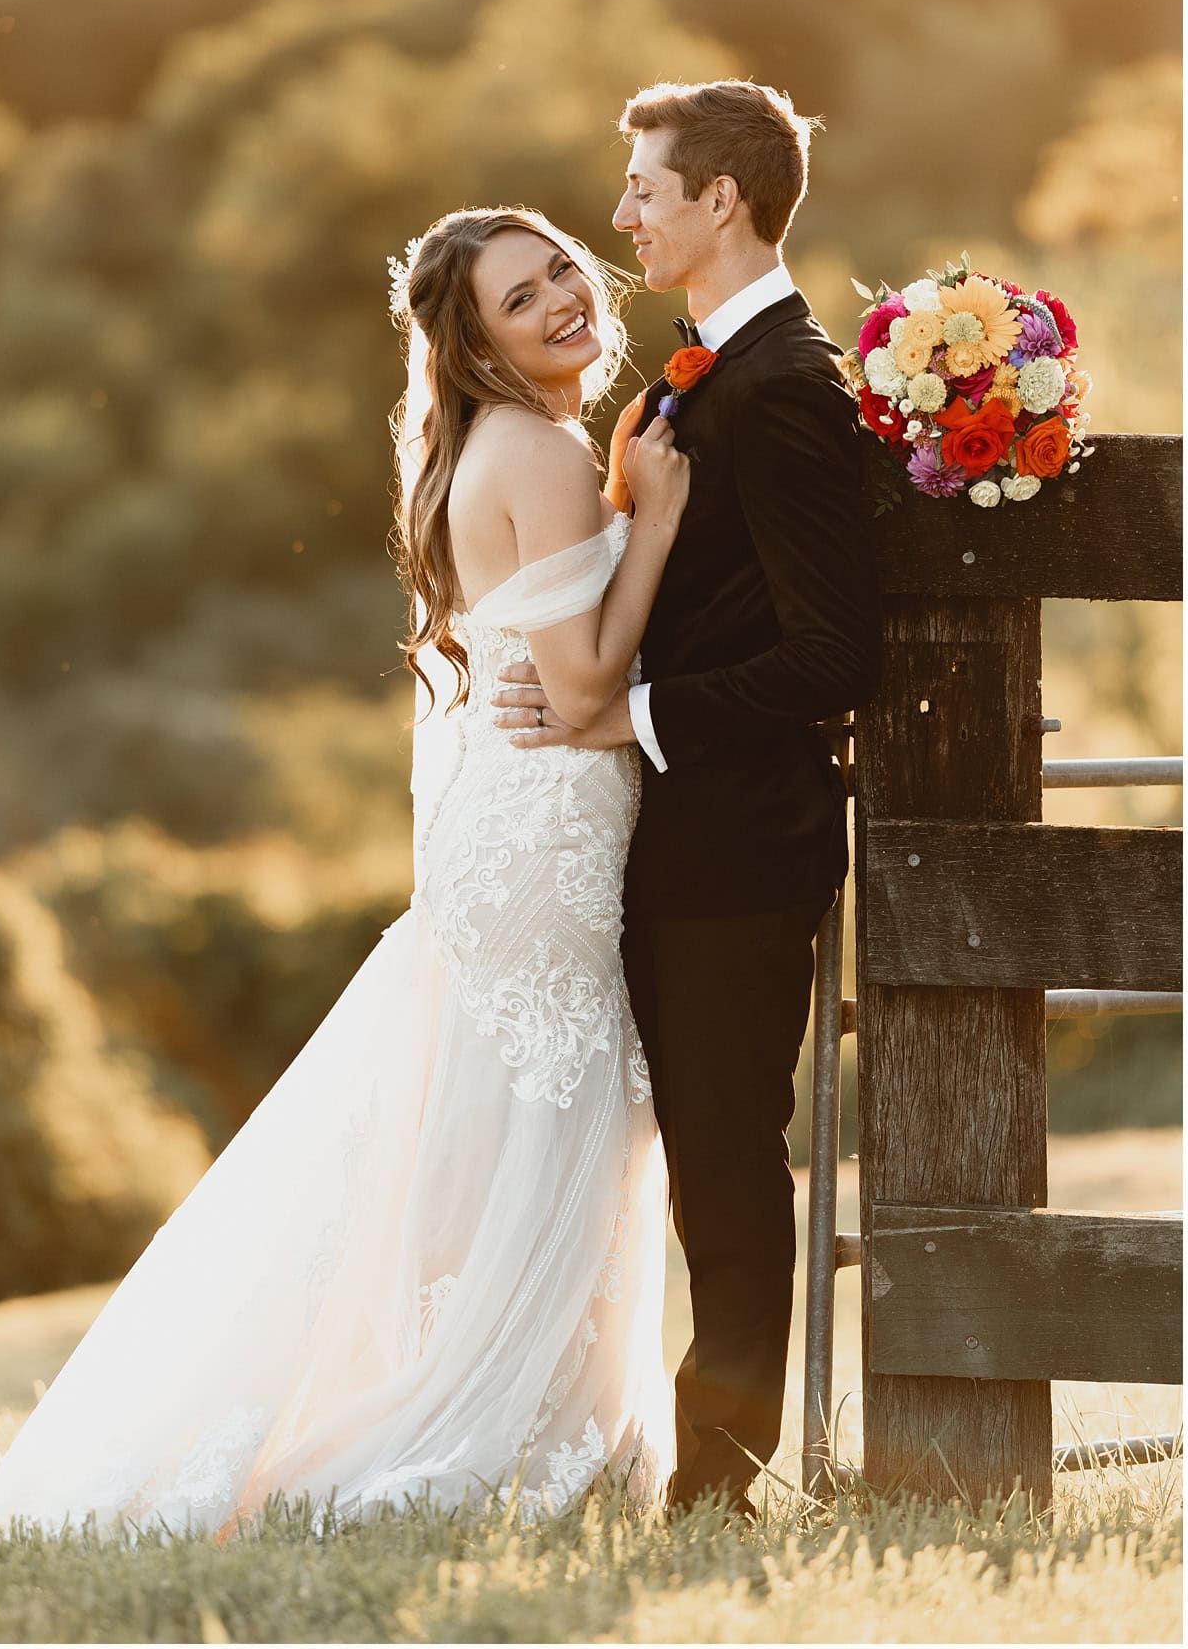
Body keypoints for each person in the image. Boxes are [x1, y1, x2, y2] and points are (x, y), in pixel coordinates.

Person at [0, 206, 690, 1543]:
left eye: (563, 269)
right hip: (550, 838)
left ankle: (550, 1417)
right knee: (560, 1126)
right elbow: (583, 682)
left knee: (504, 1130)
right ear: (480, 345)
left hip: (508, 838)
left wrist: (615, 496)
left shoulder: (486, 452)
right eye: (521, 297)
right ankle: (504, 1424)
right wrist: (655, 517)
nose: (563, 299)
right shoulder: (542, 451)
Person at [493, 80, 883, 1515]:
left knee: (726, 1167)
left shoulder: (788, 388)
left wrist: (632, 713)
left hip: (739, 849)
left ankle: (717, 1480)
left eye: (646, 190)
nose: (623, 217)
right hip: (665, 841)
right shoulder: (703, 373)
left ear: (722, 199)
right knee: (677, 1166)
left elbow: (834, 655)